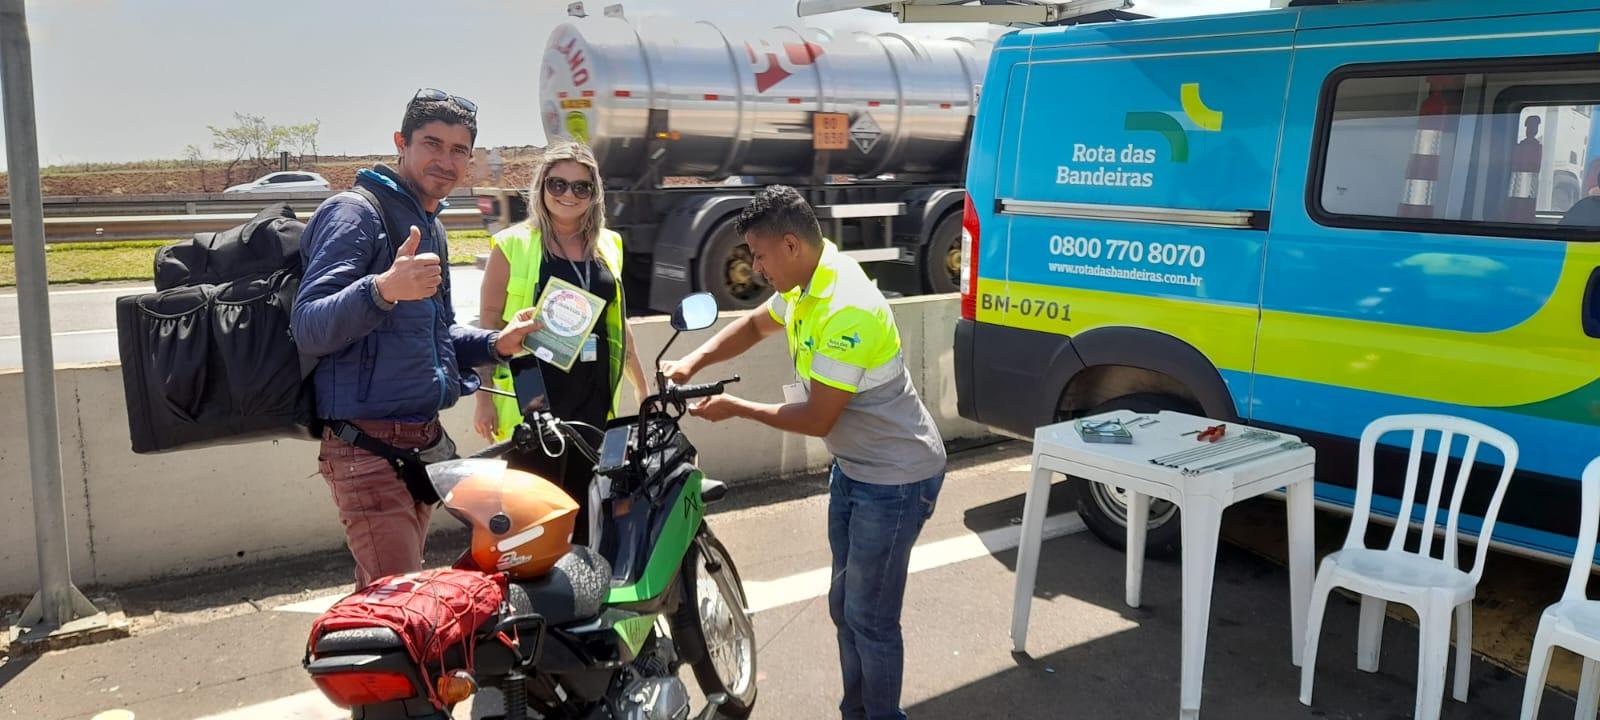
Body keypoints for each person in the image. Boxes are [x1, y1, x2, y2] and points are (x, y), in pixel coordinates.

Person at [660, 185, 946, 720]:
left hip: (897, 479)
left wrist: (735, 407)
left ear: (790, 245)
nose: (756, 266)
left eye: (760, 255)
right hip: (857, 469)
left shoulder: (846, 306)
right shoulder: (804, 283)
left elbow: (817, 419)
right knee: (847, 609)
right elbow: (754, 324)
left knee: (871, 619)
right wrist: (692, 361)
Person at [291, 89, 541, 588]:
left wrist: (496, 344)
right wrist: (382, 289)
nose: (445, 160)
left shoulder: (430, 225)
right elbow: (308, 325)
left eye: (458, 150)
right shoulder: (355, 213)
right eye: (432, 144)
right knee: (400, 604)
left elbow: (438, 332)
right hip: (366, 448)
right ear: (401, 144)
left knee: (390, 602)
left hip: (420, 444)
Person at [473, 139, 647, 545]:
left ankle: (583, 596)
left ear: (594, 193)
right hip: (536, 399)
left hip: (594, 397)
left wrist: (642, 386)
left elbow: (617, 321)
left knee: (586, 508)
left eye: (580, 187)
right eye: (558, 185)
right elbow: (488, 325)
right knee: (534, 512)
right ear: (542, 188)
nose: (569, 195)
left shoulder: (610, 245)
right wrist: (484, 398)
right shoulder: (512, 245)